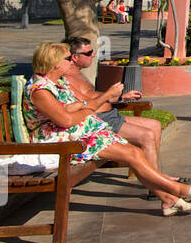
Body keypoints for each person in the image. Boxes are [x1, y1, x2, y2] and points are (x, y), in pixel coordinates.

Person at [24, 42, 191, 214]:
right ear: (55, 63)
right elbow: (66, 120)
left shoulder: (58, 83)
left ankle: (168, 199)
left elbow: (71, 107)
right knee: (133, 154)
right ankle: (177, 190)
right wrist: (87, 109)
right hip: (61, 142)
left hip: (81, 132)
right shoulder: (40, 90)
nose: (70, 62)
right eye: (67, 58)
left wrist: (81, 108)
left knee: (135, 154)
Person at [62, 37, 171, 183]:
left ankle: (155, 176)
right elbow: (85, 104)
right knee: (147, 135)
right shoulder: (68, 77)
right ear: (75, 57)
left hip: (110, 115)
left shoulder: (78, 72)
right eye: (88, 53)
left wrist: (120, 97)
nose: (93, 55)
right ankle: (158, 183)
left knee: (155, 125)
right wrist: (109, 94)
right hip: (100, 120)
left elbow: (93, 97)